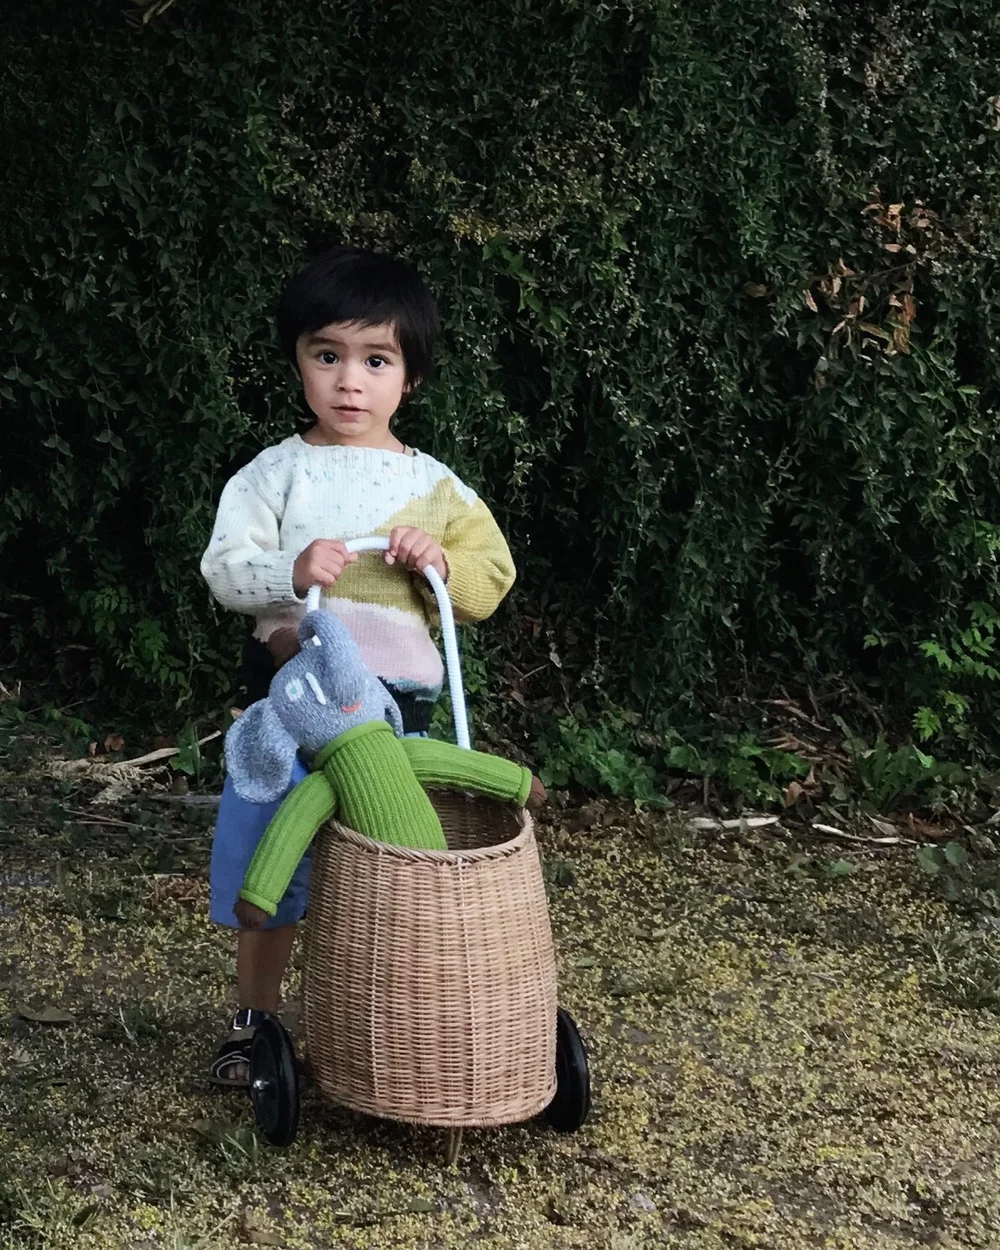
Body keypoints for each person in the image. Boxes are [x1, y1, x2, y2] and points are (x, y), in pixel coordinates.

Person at [200, 246, 516, 1087]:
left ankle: (387, 1012)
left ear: (410, 378)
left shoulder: (436, 488)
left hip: (399, 711)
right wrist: (291, 570)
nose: (349, 382)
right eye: (327, 355)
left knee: (393, 865)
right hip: (293, 713)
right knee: (270, 858)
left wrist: (440, 563)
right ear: (298, 362)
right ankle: (255, 1018)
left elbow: (491, 579)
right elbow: (225, 569)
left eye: (376, 361)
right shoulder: (276, 475)